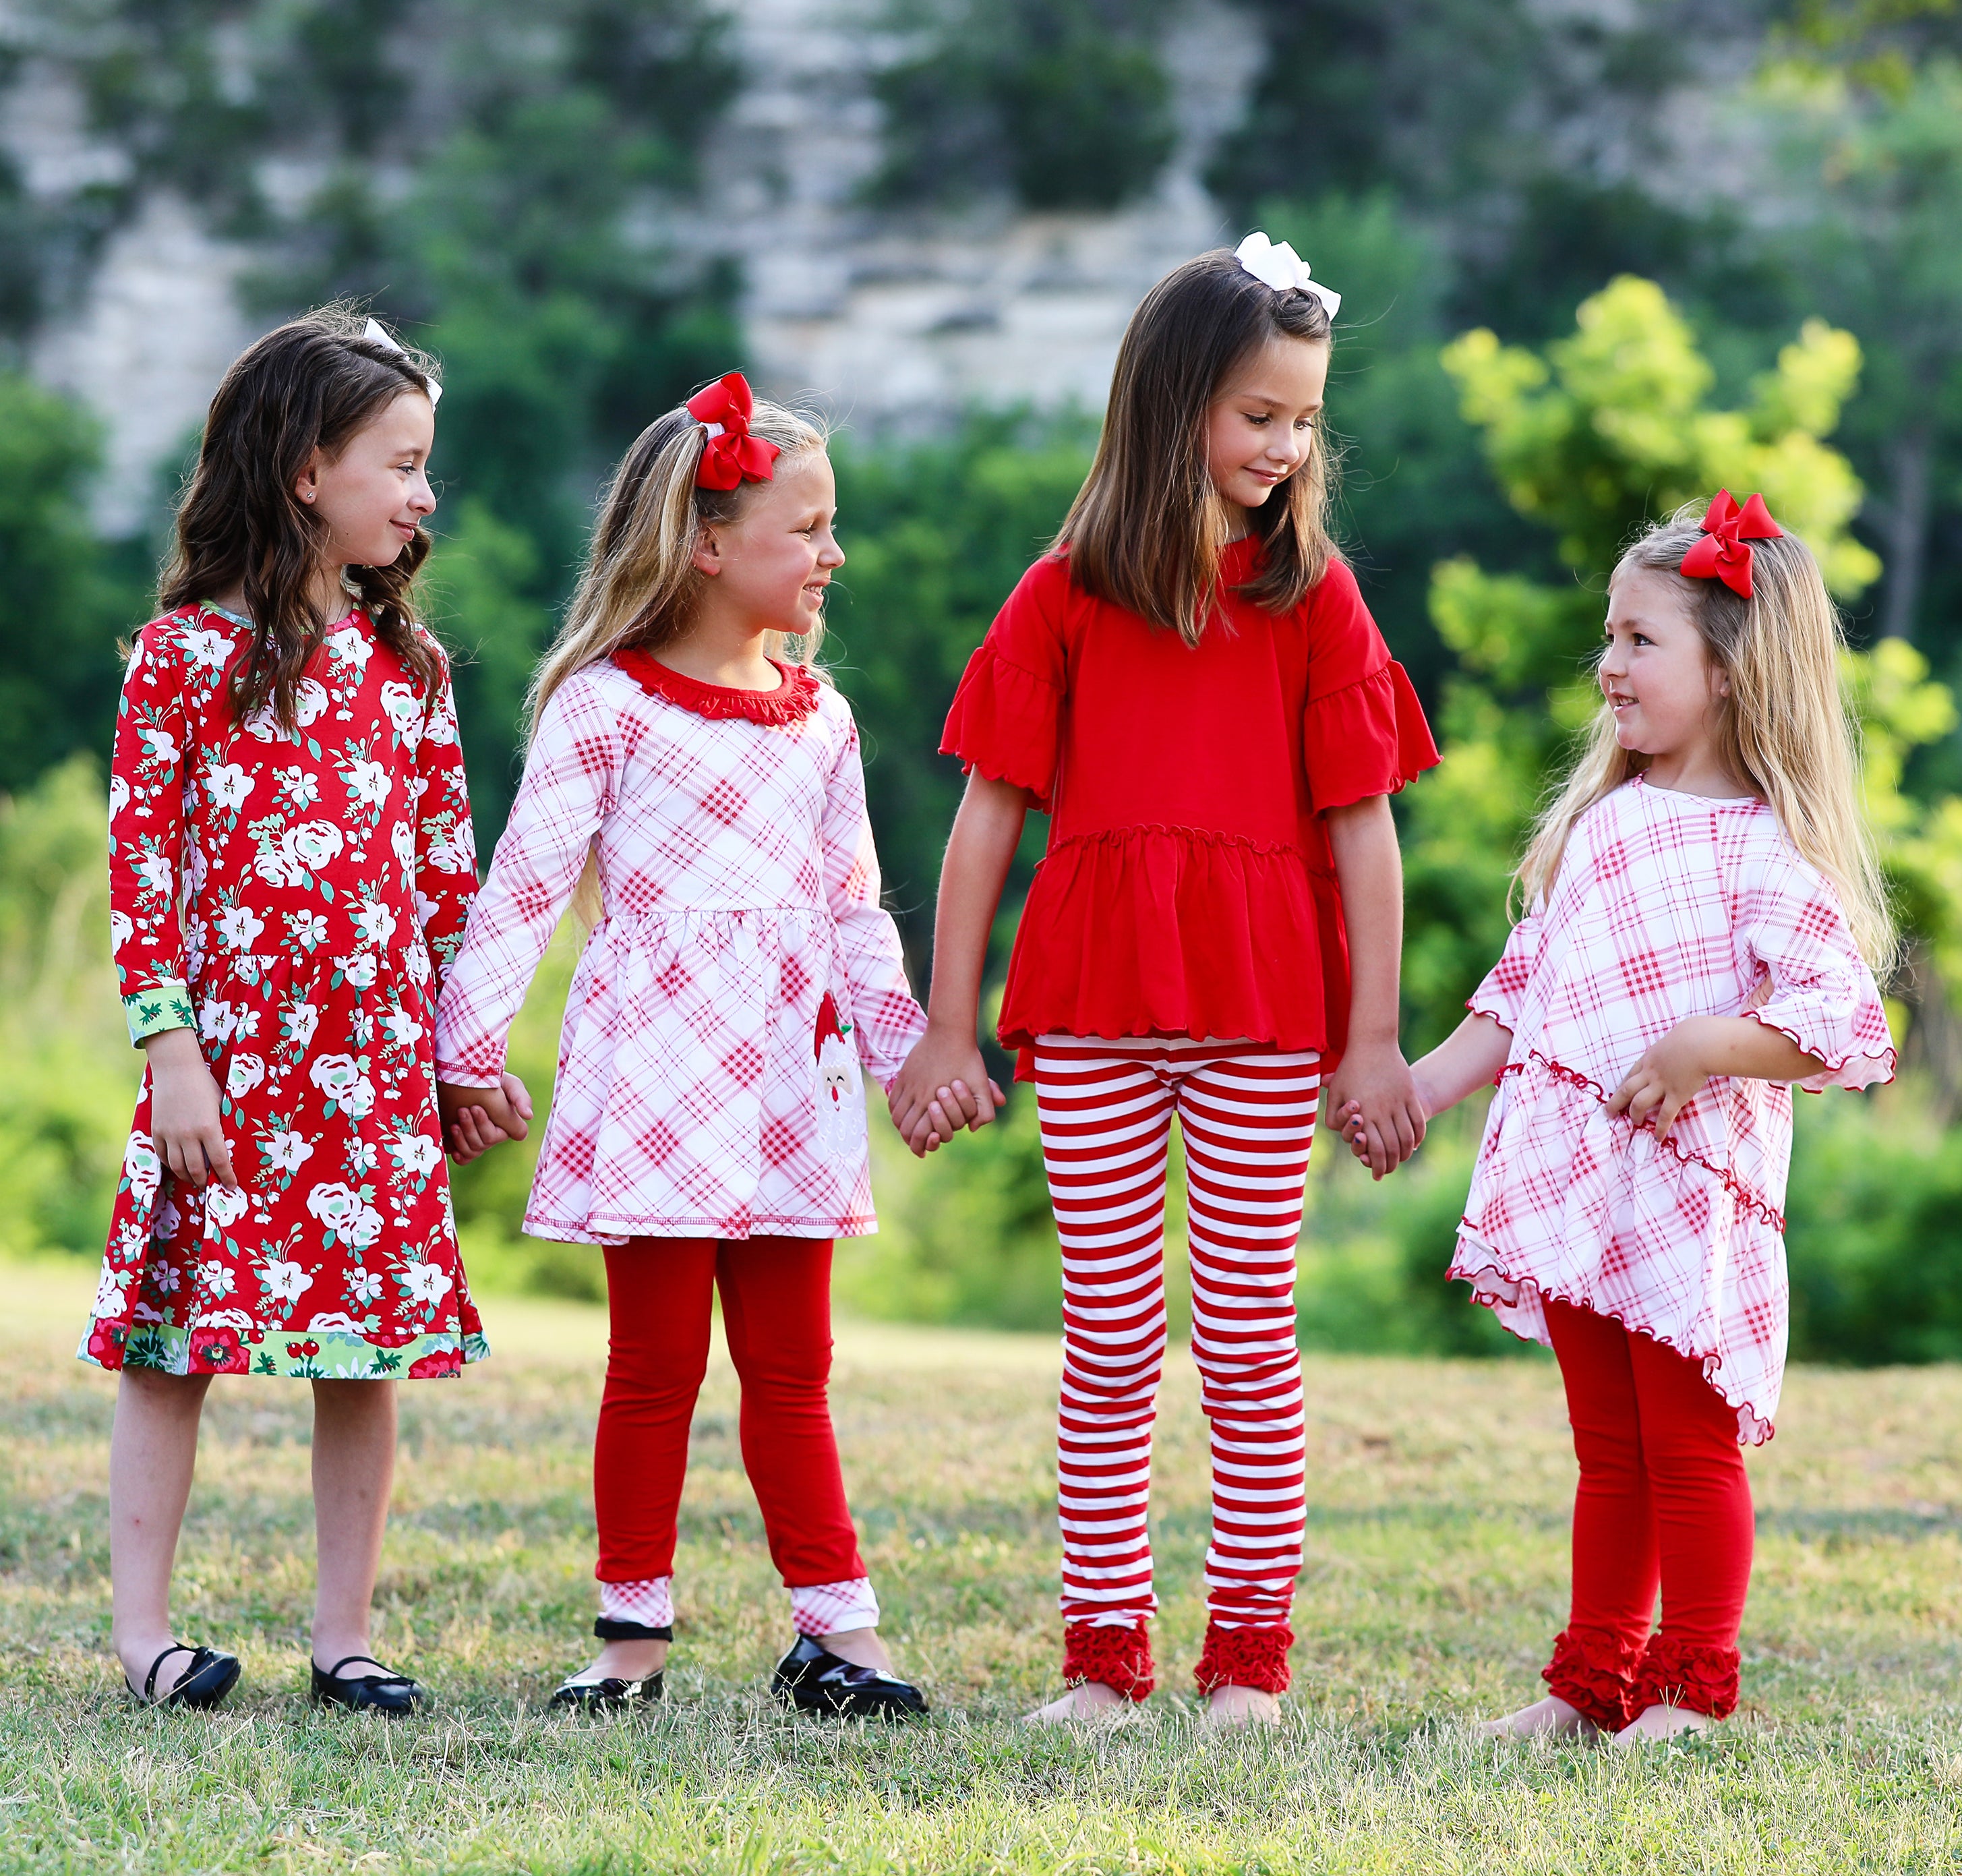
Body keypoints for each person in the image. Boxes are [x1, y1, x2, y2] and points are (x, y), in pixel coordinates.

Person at [889, 234, 1441, 1724]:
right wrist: (951, 1026)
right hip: (1091, 1004)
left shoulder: (1312, 601)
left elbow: (1365, 830)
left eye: (1306, 420)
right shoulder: (1066, 592)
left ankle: (1248, 1666)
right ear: (1172, 400)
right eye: (1259, 413)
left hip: (1267, 1009)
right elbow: (988, 813)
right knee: (1110, 1343)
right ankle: (1104, 1665)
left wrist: (1376, 1043)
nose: (1285, 446)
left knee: (1252, 1339)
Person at [434, 374, 957, 1718]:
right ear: (710, 542)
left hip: (792, 1078)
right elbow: (527, 888)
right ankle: (632, 1639)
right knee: (654, 1368)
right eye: (810, 527)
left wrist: (905, 1055)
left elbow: (852, 906)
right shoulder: (607, 707)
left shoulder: (824, 718)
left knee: (794, 1369)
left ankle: (838, 1634)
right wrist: (469, 1048)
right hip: (659, 1076)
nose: (835, 554)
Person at [1360, 495, 1895, 1744]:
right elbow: (1524, 991)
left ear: (1729, 669)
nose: (1606, 663)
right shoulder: (1604, 824)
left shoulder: (1766, 848)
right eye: (1607, 636)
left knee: (1688, 1449)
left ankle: (1693, 1686)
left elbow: (1840, 1018)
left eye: (1639, 641)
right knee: (1607, 1448)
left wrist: (1712, 1043)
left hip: (1684, 1194)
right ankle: (1588, 1682)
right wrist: (1424, 1087)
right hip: (1578, 1182)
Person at [88, 307, 517, 1715]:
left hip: (371, 1067)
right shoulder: (180, 659)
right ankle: (144, 1636)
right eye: (400, 462)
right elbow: (142, 871)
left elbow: (446, 888)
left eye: (426, 465)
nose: (423, 493)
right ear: (302, 471)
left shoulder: (415, 676)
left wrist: (463, 1059)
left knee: (365, 1356)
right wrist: (171, 1053)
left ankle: (347, 1640)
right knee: (171, 1348)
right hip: (227, 1068)